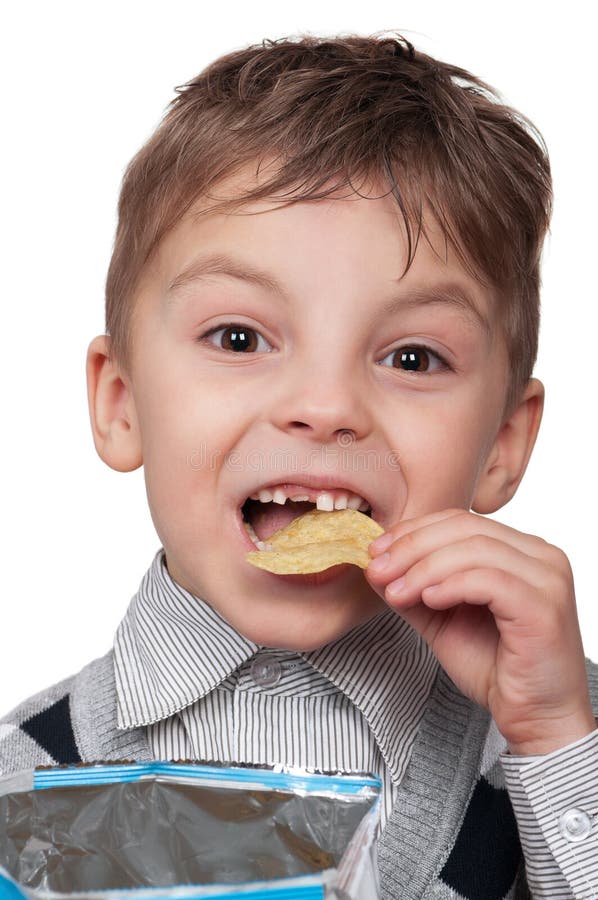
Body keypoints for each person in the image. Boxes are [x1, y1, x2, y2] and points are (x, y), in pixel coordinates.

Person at [1, 32, 597, 899]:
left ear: (504, 442)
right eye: (239, 338)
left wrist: (555, 738)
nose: (325, 405)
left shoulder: (566, 740)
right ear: (121, 401)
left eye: (412, 358)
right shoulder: (21, 777)